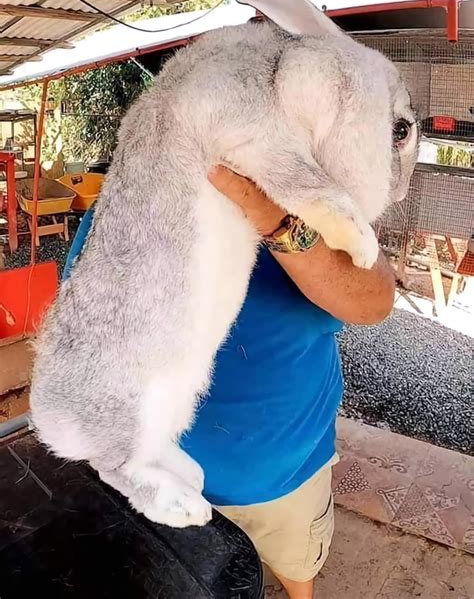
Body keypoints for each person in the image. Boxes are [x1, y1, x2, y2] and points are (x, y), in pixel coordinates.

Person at [64, 166, 395, 599]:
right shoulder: (133, 200)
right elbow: (86, 325)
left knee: (296, 566)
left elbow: (374, 302)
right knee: (185, 576)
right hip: (170, 480)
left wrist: (271, 216)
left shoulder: (313, 204)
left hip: (286, 478)